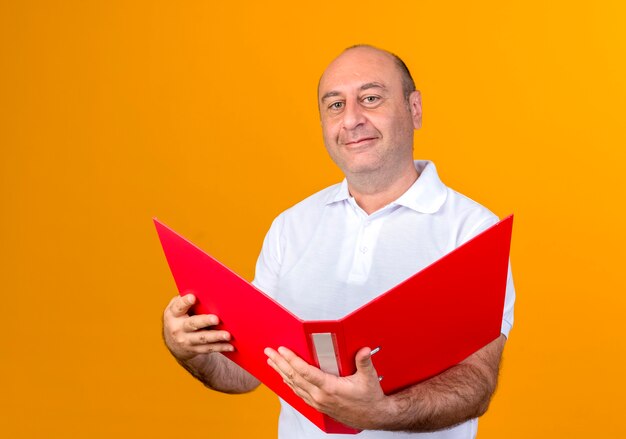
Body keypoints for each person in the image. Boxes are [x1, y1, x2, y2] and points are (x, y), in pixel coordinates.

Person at [162, 45, 515, 438]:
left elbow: (475, 383)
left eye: (370, 98)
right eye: (334, 105)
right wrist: (190, 350)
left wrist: (381, 411)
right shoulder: (290, 228)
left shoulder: (471, 231)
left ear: (414, 109)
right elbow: (244, 375)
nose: (351, 119)